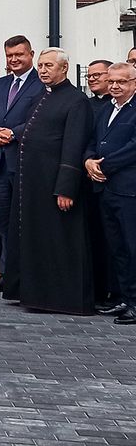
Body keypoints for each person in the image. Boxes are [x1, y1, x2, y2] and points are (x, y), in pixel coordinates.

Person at [3, 48, 93, 314]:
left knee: (58, 241)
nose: (42, 70)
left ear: (64, 69)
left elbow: (74, 146)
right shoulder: (43, 95)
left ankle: (60, 298)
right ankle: (33, 294)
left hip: (55, 183)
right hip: (33, 183)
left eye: (48, 66)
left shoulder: (76, 101)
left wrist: (66, 188)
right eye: (40, 65)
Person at [0, 35, 45, 291]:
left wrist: (12, 133)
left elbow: (39, 119)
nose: (14, 60)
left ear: (31, 54)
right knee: (3, 223)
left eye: (19, 54)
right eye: (10, 56)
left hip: (23, 163)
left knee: (24, 223)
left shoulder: (40, 84)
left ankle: (26, 277)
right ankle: (7, 273)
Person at [88, 61, 136, 324]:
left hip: (128, 190)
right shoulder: (106, 109)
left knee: (132, 247)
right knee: (115, 247)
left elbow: (133, 147)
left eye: (122, 82)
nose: (116, 86)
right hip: (105, 189)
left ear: (134, 83)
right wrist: (88, 160)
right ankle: (122, 297)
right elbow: (93, 141)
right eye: (113, 81)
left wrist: (104, 165)